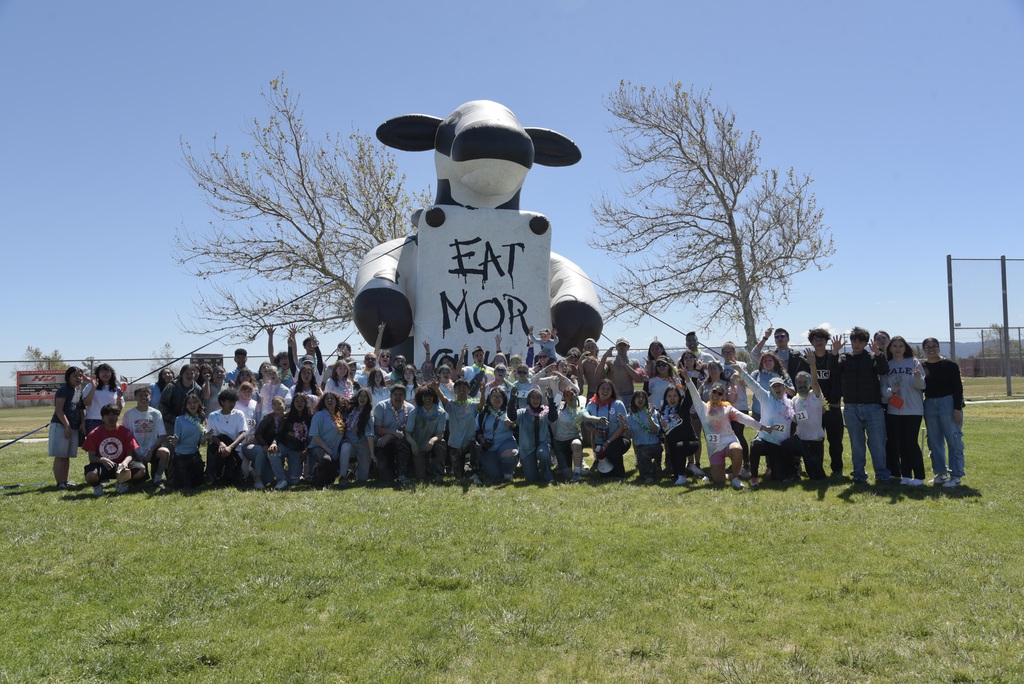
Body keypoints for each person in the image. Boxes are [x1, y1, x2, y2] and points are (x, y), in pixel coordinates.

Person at [827, 328, 890, 484]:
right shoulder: (844, 358)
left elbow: (883, 370)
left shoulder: (871, 357)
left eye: (860, 341)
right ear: (851, 341)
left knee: (877, 443)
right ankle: (859, 474)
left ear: (865, 343)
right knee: (857, 443)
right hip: (851, 407)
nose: (857, 344)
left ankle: (881, 474)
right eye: (854, 340)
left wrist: (878, 354)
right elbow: (833, 369)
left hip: (873, 407)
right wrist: (834, 352)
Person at [684, 375, 769, 489]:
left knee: (737, 449)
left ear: (722, 397)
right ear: (710, 392)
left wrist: (761, 427)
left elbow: (743, 417)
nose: (716, 395)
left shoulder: (727, 408)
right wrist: (688, 379)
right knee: (719, 480)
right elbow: (694, 394)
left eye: (719, 393)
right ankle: (734, 473)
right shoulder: (702, 408)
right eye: (714, 391)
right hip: (714, 449)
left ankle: (735, 479)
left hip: (729, 443)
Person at [881, 336, 926, 486]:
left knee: (911, 442)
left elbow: (922, 386)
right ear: (890, 348)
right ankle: (906, 475)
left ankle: (919, 476)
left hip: (913, 408)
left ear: (905, 348)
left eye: (901, 346)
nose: (898, 349)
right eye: (894, 346)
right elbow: (883, 387)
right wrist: (890, 391)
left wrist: (918, 378)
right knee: (901, 444)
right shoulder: (887, 365)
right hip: (895, 410)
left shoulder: (913, 362)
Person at [921, 338, 966, 487]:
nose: (931, 349)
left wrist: (957, 409)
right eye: (927, 347)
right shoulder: (921, 367)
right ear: (923, 349)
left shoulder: (949, 365)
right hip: (929, 404)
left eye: (934, 346)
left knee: (953, 439)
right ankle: (941, 474)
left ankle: (956, 475)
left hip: (948, 403)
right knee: (934, 441)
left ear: (939, 348)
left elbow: (957, 388)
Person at [739, 369, 796, 487]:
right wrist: (740, 370)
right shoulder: (765, 397)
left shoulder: (790, 403)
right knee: (755, 445)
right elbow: (752, 383)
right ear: (771, 389)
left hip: (779, 445)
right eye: (774, 386)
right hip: (765, 440)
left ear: (784, 388)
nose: (777, 388)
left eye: (779, 385)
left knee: (777, 478)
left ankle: (776, 469)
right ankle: (754, 477)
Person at [82, 404, 147, 496]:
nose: (111, 417)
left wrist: (125, 463)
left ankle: (122, 483)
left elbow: (130, 454)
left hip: (121, 465)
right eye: (108, 415)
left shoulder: (125, 432)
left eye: (114, 415)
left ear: (118, 416)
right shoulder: (95, 433)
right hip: (103, 465)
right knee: (90, 475)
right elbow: (91, 457)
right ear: (102, 418)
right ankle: (97, 487)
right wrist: (101, 459)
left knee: (141, 470)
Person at [807, 327, 845, 477]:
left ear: (826, 341)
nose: (819, 342)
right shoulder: (808, 359)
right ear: (811, 342)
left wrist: (835, 352)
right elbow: (803, 382)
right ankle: (817, 470)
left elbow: (838, 374)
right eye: (815, 339)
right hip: (815, 409)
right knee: (816, 442)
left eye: (822, 339)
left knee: (836, 443)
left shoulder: (835, 357)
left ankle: (837, 470)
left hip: (833, 408)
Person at [551, 387, 607, 483]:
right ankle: (579, 471)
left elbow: (588, 417)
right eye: (567, 395)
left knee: (576, 444)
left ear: (576, 395)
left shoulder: (581, 410)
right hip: (560, 444)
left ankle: (577, 473)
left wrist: (598, 419)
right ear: (564, 397)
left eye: (572, 394)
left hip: (573, 439)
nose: (570, 397)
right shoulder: (558, 406)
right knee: (567, 475)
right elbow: (552, 405)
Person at [121, 386, 171, 489]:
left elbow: (162, 435)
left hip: (151, 450)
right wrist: (135, 453)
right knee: (139, 482)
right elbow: (125, 437)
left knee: (165, 452)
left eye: (146, 395)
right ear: (135, 397)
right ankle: (135, 477)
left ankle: (157, 479)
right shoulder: (129, 415)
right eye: (140, 395)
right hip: (135, 452)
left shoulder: (156, 413)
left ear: (150, 397)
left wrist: (151, 450)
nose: (143, 397)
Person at [49, 366, 87, 489]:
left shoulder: (78, 391)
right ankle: (59, 482)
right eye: (75, 376)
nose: (78, 378)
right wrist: (67, 426)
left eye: (80, 375)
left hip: (74, 427)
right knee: (60, 455)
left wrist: (82, 422)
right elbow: (59, 410)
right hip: (61, 426)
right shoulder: (64, 390)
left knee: (67, 456)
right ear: (68, 377)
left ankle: (65, 481)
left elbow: (80, 409)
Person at [509, 387, 558, 483]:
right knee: (532, 479)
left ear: (540, 400)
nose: (535, 400)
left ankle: (548, 476)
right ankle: (534, 468)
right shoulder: (522, 413)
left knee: (543, 454)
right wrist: (512, 398)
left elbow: (553, 417)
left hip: (542, 443)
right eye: (533, 397)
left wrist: (551, 399)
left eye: (538, 398)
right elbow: (512, 416)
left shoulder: (544, 412)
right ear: (529, 399)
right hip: (527, 449)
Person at [439, 378, 483, 484]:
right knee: (459, 476)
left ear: (468, 390)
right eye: (458, 387)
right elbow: (443, 399)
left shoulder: (472, 405)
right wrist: (437, 389)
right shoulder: (451, 405)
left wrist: (483, 393)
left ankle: (474, 472)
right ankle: (470, 475)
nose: (461, 389)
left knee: (475, 446)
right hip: (455, 445)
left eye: (464, 387)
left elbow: (481, 405)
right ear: (454, 391)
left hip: (469, 443)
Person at [792, 352, 827, 480]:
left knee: (816, 475)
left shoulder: (815, 396)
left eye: (804, 382)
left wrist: (812, 365)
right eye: (799, 382)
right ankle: (793, 470)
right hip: (801, 440)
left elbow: (816, 383)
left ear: (810, 383)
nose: (802, 385)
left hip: (815, 440)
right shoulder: (794, 400)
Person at [586, 379, 629, 478]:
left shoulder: (618, 404)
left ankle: (620, 474)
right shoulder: (591, 405)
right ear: (598, 390)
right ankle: (602, 464)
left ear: (612, 391)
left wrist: (608, 442)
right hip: (600, 442)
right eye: (602, 388)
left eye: (608, 389)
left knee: (611, 449)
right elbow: (586, 423)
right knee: (605, 475)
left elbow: (622, 427)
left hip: (618, 439)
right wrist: (594, 430)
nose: (605, 391)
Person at [475, 386, 519, 482]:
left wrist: (512, 425)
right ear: (489, 399)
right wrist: (481, 439)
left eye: (499, 397)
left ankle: (508, 473)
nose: (497, 399)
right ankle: (499, 467)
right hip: (489, 446)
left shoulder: (509, 412)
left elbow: (518, 430)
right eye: (494, 396)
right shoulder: (483, 413)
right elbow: (477, 429)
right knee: (495, 475)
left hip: (505, 442)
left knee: (510, 453)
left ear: (504, 399)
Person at [205, 388, 249, 486]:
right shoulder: (213, 416)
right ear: (222, 402)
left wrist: (230, 447)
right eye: (229, 401)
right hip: (219, 446)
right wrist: (221, 444)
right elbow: (212, 435)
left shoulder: (239, 414)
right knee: (221, 449)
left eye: (234, 401)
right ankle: (217, 476)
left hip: (235, 447)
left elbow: (243, 434)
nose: (232, 404)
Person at [660, 384, 701, 485]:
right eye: (669, 396)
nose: (672, 398)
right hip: (674, 448)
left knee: (679, 447)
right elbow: (666, 436)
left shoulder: (683, 408)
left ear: (679, 398)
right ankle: (690, 472)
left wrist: (690, 378)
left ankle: (682, 476)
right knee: (675, 471)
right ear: (666, 398)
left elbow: (690, 393)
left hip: (691, 443)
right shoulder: (662, 413)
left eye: (675, 395)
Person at [406, 385, 448, 482]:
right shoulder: (414, 411)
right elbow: (407, 433)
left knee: (441, 442)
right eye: (425, 396)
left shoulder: (441, 412)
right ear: (421, 397)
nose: (427, 398)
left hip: (432, 445)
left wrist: (432, 440)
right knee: (420, 476)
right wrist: (413, 443)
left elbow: (440, 434)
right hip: (418, 446)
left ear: (434, 397)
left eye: (430, 396)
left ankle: (439, 473)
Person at [373, 385, 414, 483]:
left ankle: (402, 475)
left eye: (401, 395)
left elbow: (409, 430)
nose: (398, 397)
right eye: (395, 394)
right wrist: (392, 432)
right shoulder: (381, 406)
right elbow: (377, 429)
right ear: (391, 395)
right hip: (382, 439)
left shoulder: (410, 408)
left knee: (402, 444)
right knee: (385, 479)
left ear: (405, 397)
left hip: (400, 439)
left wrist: (392, 435)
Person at [272, 392, 312, 488]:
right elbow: (278, 434)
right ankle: (281, 479)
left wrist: (306, 450)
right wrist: (274, 443)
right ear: (293, 403)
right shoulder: (287, 416)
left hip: (298, 450)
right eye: (296, 401)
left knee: (294, 481)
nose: (299, 403)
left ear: (305, 403)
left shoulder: (310, 418)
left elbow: (311, 436)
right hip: (285, 446)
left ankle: (288, 475)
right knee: (272, 453)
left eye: (302, 401)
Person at [307, 392, 347, 488]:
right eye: (327, 399)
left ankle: (324, 479)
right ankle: (316, 482)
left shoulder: (339, 417)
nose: (330, 400)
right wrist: (326, 449)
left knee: (330, 481)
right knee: (326, 459)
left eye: (332, 398)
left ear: (336, 401)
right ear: (323, 402)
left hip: (332, 450)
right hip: (317, 447)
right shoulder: (319, 415)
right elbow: (314, 435)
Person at [169, 392, 207, 490]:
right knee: (183, 485)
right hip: (180, 456)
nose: (192, 405)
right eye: (189, 403)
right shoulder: (180, 419)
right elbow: (176, 441)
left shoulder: (201, 419)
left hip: (194, 454)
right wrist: (175, 440)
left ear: (198, 404)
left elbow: (202, 442)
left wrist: (206, 437)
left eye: (194, 402)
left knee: (197, 483)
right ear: (186, 406)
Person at [626, 390, 662, 484]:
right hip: (641, 447)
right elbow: (629, 436)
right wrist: (625, 427)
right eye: (638, 397)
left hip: (655, 444)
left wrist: (650, 418)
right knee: (643, 452)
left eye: (643, 397)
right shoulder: (629, 417)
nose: (641, 399)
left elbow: (656, 430)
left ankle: (655, 469)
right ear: (634, 400)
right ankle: (648, 475)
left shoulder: (652, 413)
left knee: (652, 451)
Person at [340, 388, 376, 483]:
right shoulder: (350, 410)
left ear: (368, 399)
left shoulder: (369, 414)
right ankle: (342, 476)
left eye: (365, 396)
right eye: (360, 396)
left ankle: (355, 471)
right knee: (345, 447)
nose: (362, 398)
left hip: (363, 446)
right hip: (350, 444)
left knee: (362, 479)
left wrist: (372, 453)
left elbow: (370, 434)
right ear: (357, 397)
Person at [252, 396, 287, 490]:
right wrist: (264, 444)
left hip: (285, 445)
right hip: (268, 446)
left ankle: (284, 476)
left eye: (279, 403)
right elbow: (258, 434)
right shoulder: (268, 418)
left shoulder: (288, 418)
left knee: (293, 479)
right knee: (268, 480)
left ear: (284, 405)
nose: (277, 406)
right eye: (274, 404)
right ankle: (253, 472)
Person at [158, 364, 202, 435]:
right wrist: (174, 419)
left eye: (192, 373)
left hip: (190, 423)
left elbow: (201, 407)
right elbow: (162, 405)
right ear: (181, 374)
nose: (189, 375)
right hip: (171, 424)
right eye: (187, 373)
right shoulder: (171, 387)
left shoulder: (197, 389)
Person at [601, 337, 644, 409]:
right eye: (620, 345)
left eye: (624, 345)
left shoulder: (634, 362)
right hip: (614, 396)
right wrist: (604, 356)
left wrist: (625, 365)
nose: (622, 347)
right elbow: (600, 373)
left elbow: (639, 379)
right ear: (616, 347)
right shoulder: (609, 362)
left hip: (629, 395)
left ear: (628, 347)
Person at [82, 363, 123, 434]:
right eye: (102, 372)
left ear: (112, 374)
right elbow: (85, 403)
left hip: (110, 421)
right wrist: (93, 388)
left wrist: (119, 398)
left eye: (108, 372)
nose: (105, 374)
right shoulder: (90, 386)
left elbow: (118, 409)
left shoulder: (116, 388)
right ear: (98, 374)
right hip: (94, 421)